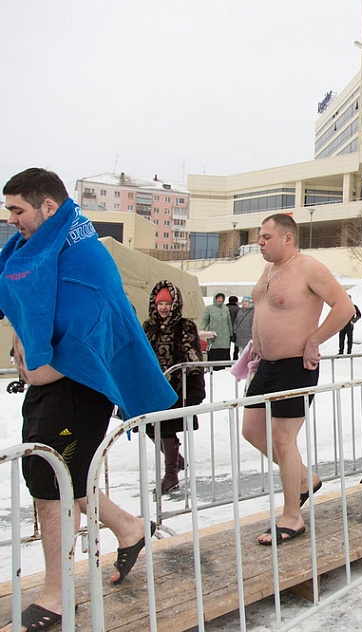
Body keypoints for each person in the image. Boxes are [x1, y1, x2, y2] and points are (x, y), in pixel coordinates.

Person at [0, 168, 177, 627]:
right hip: (59, 388)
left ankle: (58, 595)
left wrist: (40, 370)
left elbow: (90, 331)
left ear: (48, 208)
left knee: (50, 479)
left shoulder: (85, 258)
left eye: (18, 210)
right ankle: (130, 528)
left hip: (80, 387)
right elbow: (22, 298)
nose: (11, 219)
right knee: (69, 477)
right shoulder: (44, 246)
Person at [242, 213, 354, 545]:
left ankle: (292, 516)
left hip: (295, 366)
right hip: (265, 366)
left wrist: (314, 340)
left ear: (287, 238)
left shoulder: (308, 267)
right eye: (260, 238)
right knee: (251, 431)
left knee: (282, 439)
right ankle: (305, 479)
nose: (260, 243)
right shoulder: (269, 270)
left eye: (265, 237)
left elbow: (344, 307)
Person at [142, 280, 207, 493]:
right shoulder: (148, 326)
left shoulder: (184, 326)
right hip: (152, 388)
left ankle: (171, 474)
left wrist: (196, 387)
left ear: (175, 304)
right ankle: (177, 460)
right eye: (160, 303)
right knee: (151, 428)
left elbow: (193, 356)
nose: (163, 308)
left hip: (176, 388)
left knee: (167, 429)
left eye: (167, 304)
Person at [200, 292, 233, 369]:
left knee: (224, 351)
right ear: (215, 298)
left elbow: (229, 322)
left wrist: (231, 333)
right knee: (215, 351)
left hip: (225, 335)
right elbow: (205, 320)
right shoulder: (209, 308)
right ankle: (214, 368)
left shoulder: (226, 308)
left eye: (221, 298)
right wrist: (202, 330)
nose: (220, 300)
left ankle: (225, 368)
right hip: (214, 335)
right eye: (218, 298)